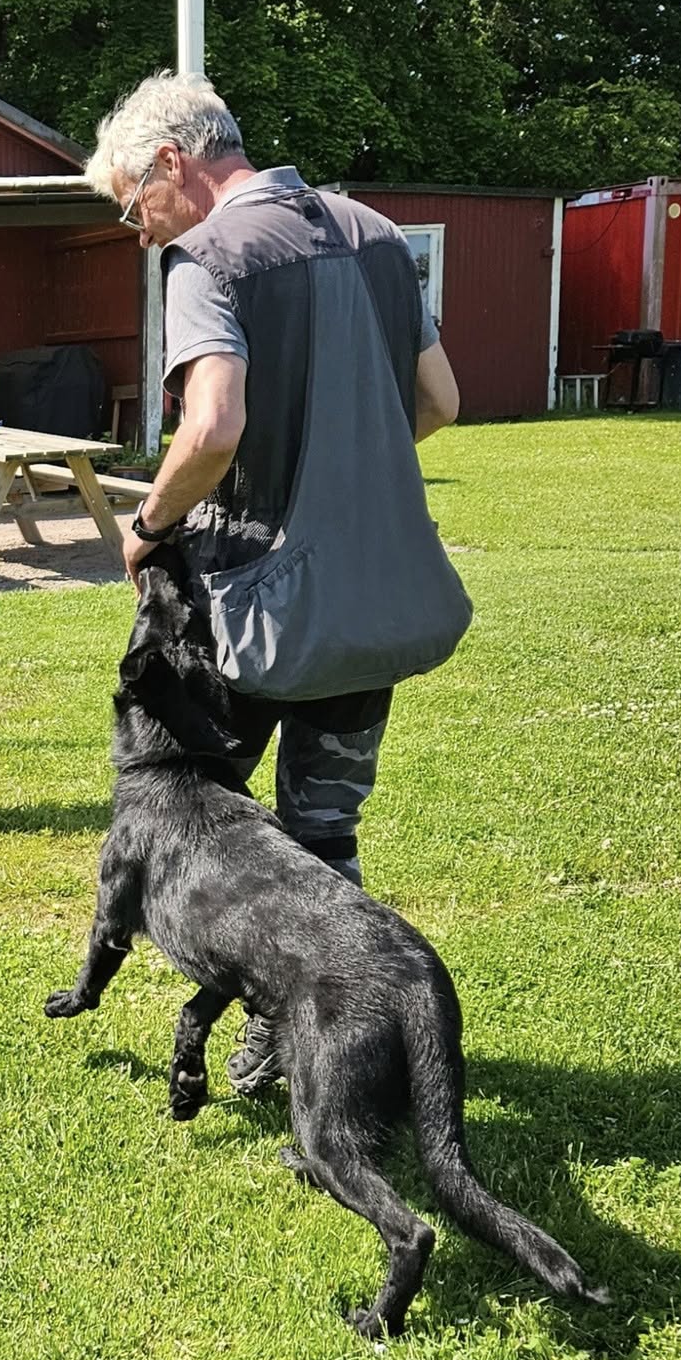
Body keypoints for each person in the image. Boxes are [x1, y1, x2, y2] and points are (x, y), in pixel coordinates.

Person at [84, 72, 461, 1097]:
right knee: (321, 835)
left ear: (173, 164)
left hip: (247, 606)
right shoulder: (375, 233)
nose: (135, 229)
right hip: (371, 600)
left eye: (130, 205)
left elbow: (210, 427)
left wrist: (150, 522)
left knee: (217, 831)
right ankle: (330, 1037)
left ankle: (267, 1035)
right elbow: (438, 398)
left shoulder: (208, 257)